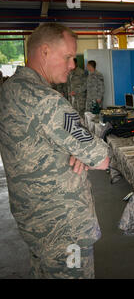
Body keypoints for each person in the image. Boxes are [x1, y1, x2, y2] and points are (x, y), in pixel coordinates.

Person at [0, 23, 110, 279]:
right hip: (64, 229)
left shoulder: (8, 91)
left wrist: (77, 151)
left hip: (35, 223)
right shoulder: (46, 101)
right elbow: (101, 158)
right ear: (45, 52)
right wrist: (84, 153)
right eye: (68, 57)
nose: (73, 64)